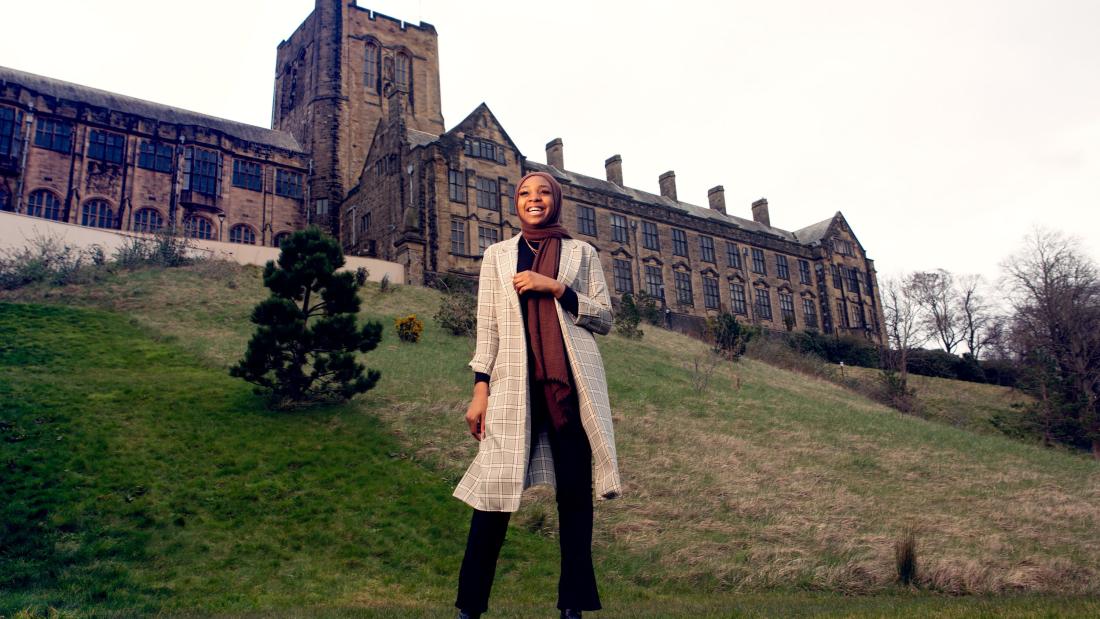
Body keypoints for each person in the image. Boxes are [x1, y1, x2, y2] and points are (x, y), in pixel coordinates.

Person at [453, 171, 622, 618]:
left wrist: (557, 288)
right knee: (493, 497)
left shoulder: (581, 253)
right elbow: (486, 326)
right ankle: (469, 608)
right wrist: (480, 389)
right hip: (514, 389)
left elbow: (605, 317)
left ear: (556, 200)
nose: (534, 199)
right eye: (525, 193)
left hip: (570, 390)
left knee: (574, 501)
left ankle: (573, 608)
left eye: (543, 192)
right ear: (516, 203)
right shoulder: (498, 256)